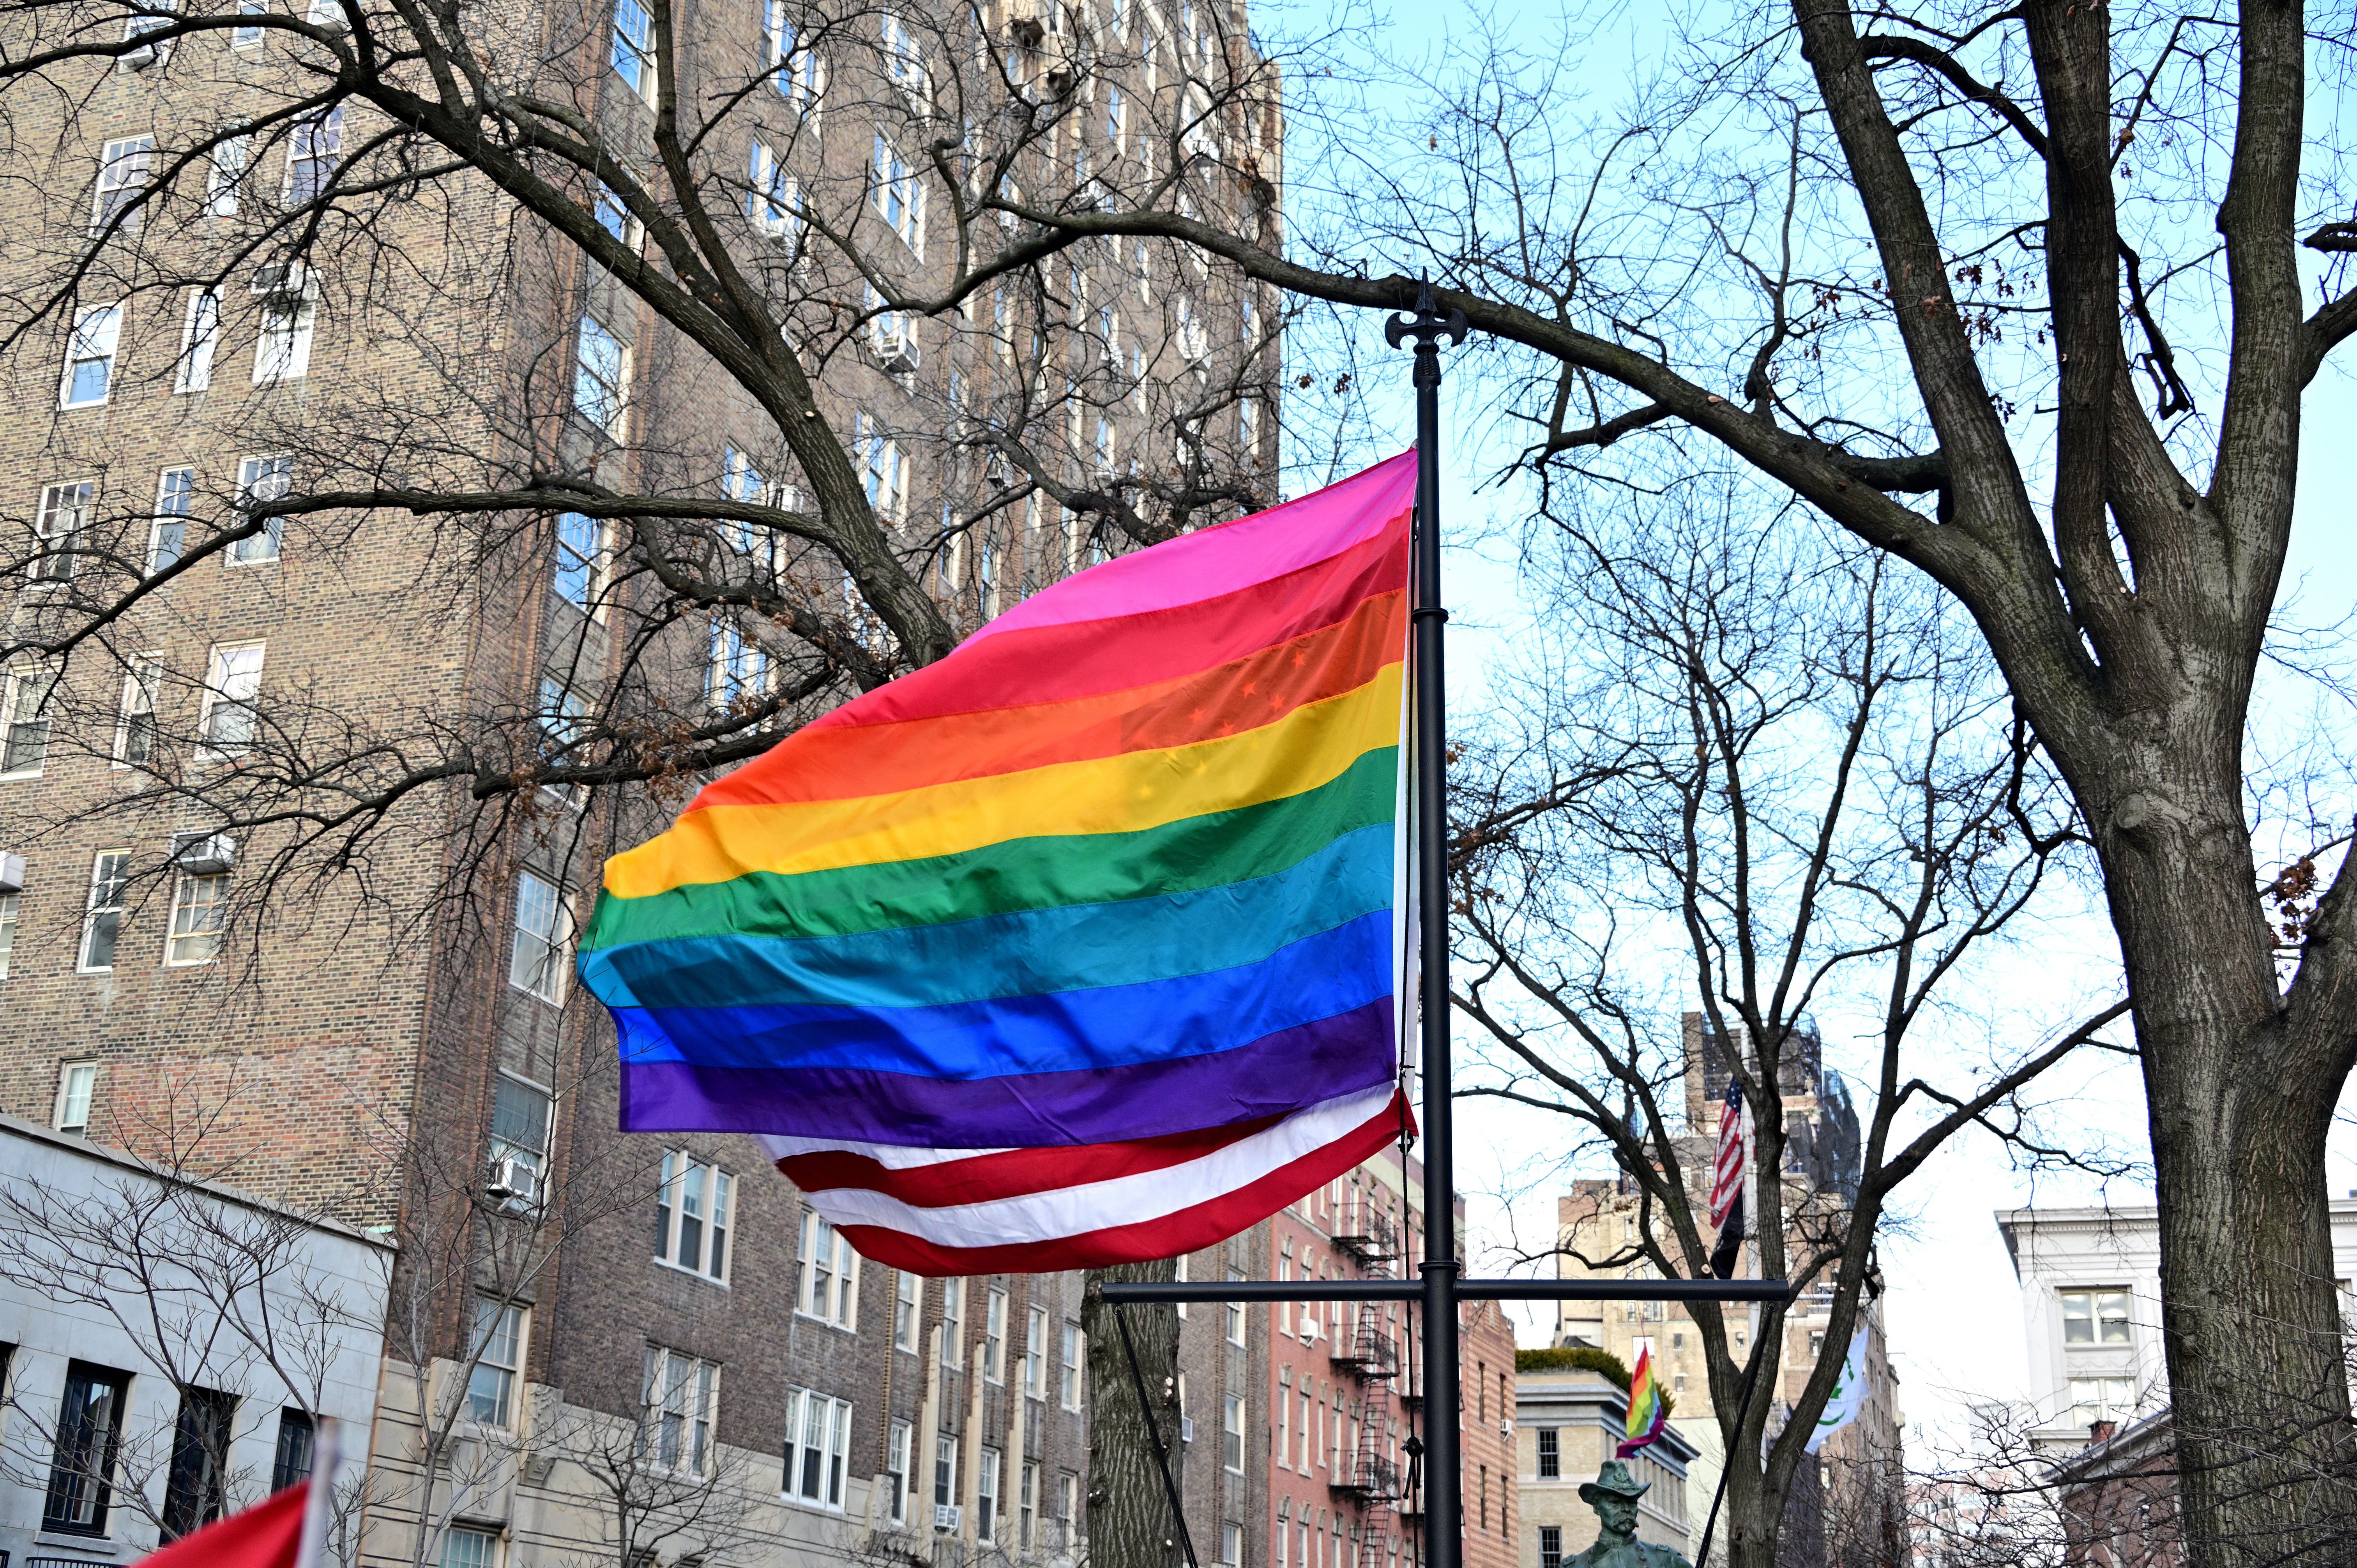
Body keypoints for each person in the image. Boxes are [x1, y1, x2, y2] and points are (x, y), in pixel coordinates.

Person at [1564, 1459, 1693, 1568]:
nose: (1626, 1509)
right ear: (1597, 1508)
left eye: (1631, 1503)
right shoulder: (1575, 1566)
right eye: (1615, 1503)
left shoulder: (1668, 1561)